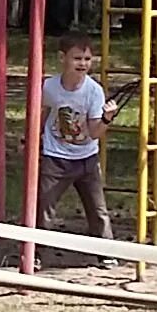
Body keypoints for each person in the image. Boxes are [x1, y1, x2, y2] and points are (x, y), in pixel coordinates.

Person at [38, 35, 114, 239]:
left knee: (98, 210)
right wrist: (30, 139)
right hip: (55, 157)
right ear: (62, 58)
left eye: (87, 59)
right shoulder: (49, 86)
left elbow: (95, 132)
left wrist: (106, 119)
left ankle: (106, 252)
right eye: (77, 58)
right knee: (43, 208)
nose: (83, 64)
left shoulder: (94, 91)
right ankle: (36, 251)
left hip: (86, 159)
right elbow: (40, 115)